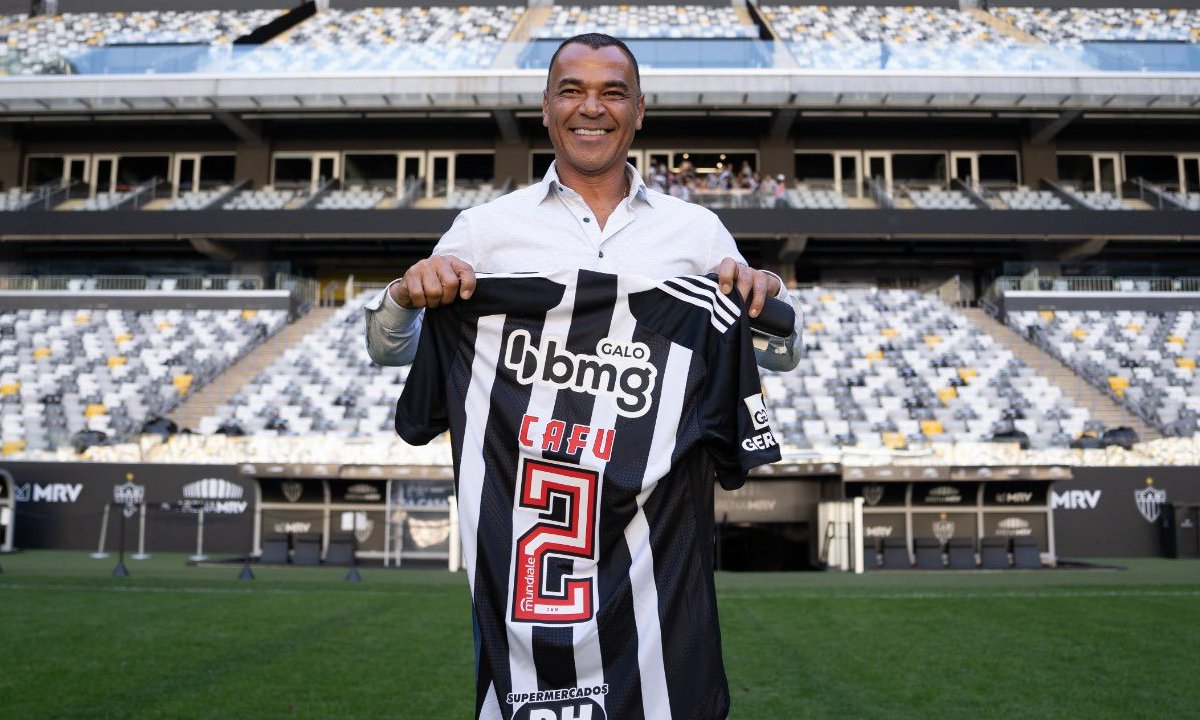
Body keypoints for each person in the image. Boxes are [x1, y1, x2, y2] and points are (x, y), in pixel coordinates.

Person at [364, 33, 802, 371]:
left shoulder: (699, 230)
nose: (591, 109)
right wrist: (405, 297)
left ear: (640, 110)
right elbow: (391, 353)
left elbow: (781, 356)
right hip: (521, 488)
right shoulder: (482, 229)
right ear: (546, 107)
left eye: (613, 93)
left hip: (663, 490)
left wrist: (770, 293)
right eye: (571, 91)